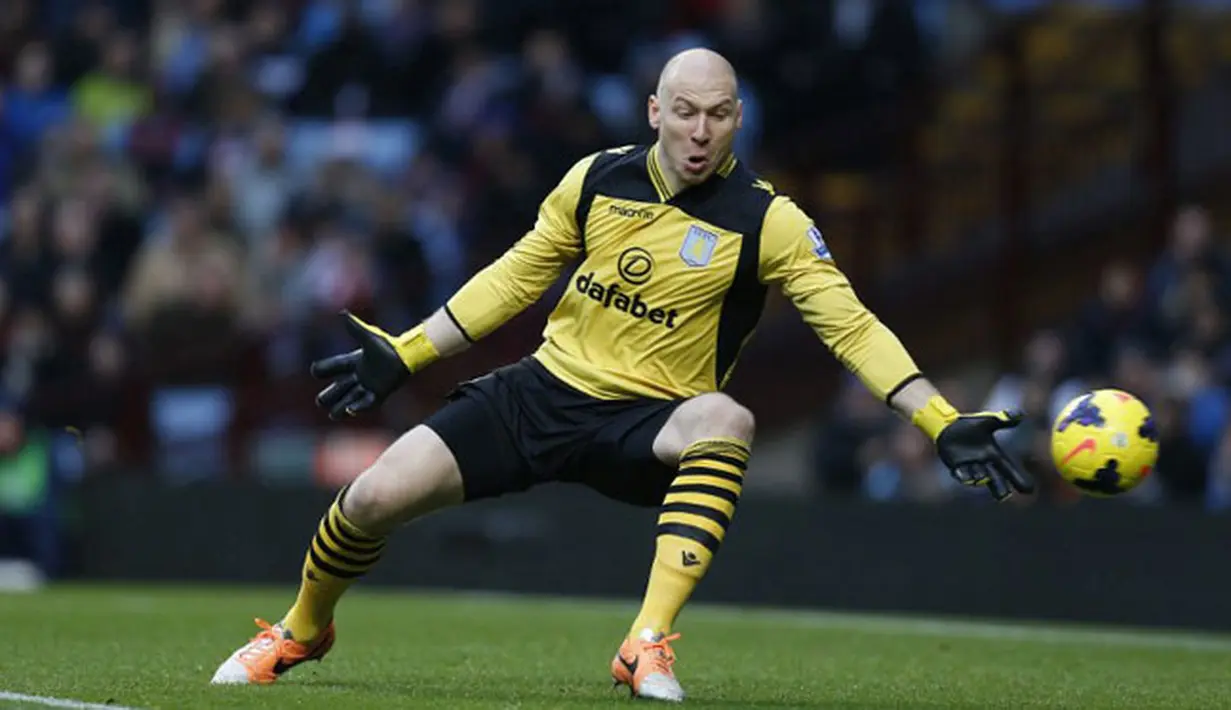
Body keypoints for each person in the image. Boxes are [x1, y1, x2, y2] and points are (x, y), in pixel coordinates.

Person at [210, 48, 1032, 702]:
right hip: (541, 391)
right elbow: (517, 275)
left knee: (727, 419)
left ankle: (644, 643)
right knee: (372, 498)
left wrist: (939, 419)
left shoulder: (769, 221)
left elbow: (848, 324)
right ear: (654, 113)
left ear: (737, 119)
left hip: (649, 421)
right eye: (683, 113)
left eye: (716, 115)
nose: (699, 131)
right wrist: (407, 351)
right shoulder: (596, 177)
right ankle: (303, 628)